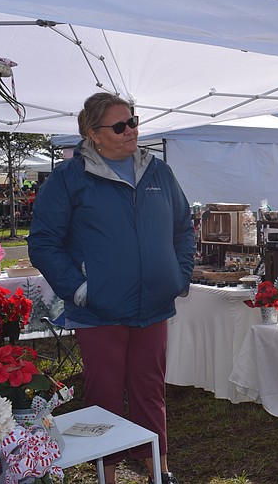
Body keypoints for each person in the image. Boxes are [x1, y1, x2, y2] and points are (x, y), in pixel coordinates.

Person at [28, 92, 194, 484]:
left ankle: (159, 470)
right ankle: (109, 475)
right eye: (120, 126)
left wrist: (178, 275)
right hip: (99, 310)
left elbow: (183, 229)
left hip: (153, 305)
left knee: (151, 391)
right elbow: (44, 242)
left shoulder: (158, 172)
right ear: (93, 134)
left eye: (133, 121)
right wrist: (80, 289)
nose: (131, 131)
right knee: (103, 395)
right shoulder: (69, 178)